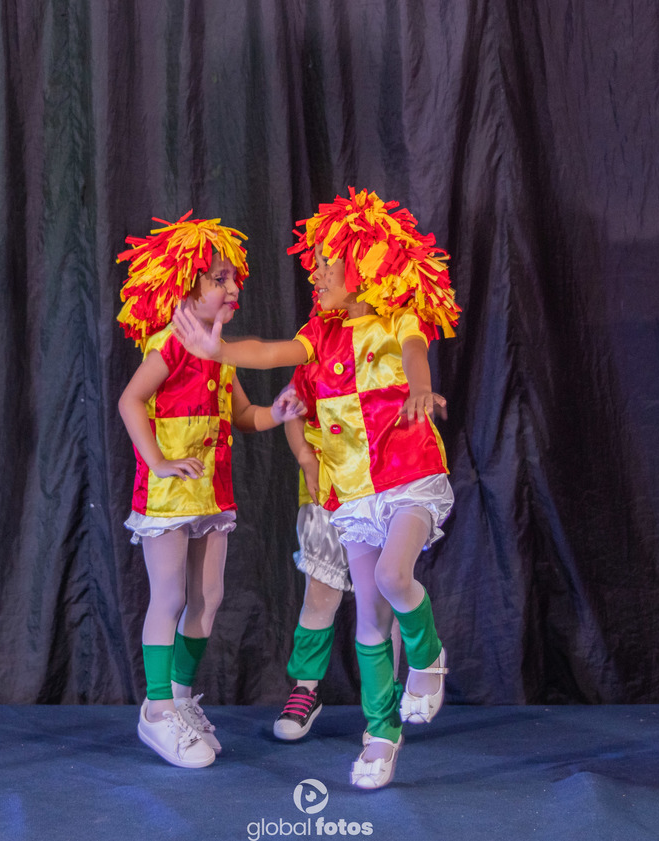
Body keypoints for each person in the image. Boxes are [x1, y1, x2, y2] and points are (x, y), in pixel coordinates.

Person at [174, 188, 461, 789]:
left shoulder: (397, 320)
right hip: (350, 493)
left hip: (408, 476)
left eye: (330, 262)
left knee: (394, 577)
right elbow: (271, 351)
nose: (317, 272)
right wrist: (218, 348)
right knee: (368, 622)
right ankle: (381, 735)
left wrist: (419, 387)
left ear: (368, 265)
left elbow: (414, 352)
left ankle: (428, 657)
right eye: (317, 263)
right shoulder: (318, 335)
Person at [116, 213, 303, 769]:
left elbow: (242, 415)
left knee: (209, 597)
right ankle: (155, 710)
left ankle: (177, 698)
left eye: (234, 278)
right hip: (169, 498)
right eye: (219, 279)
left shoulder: (220, 353)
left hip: (211, 496)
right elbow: (130, 401)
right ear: (185, 288)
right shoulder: (169, 347)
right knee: (169, 597)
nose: (232, 287)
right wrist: (158, 462)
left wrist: (277, 413)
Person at [274, 371, 401, 742]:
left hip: (379, 488)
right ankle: (306, 688)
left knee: (381, 598)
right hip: (326, 492)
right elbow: (292, 406)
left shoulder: (385, 347)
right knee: (319, 595)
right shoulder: (315, 353)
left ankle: (384, 703)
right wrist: (306, 458)